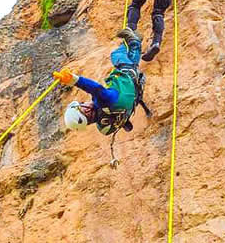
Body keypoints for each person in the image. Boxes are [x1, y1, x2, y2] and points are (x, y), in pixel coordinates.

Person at [53, 29, 151, 166]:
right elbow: (95, 88)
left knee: (130, 64)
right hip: (127, 79)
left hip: (135, 90)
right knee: (118, 55)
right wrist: (72, 80)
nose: (84, 103)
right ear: (86, 112)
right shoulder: (103, 103)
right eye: (82, 106)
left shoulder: (104, 126)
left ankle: (134, 41)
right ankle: (134, 41)